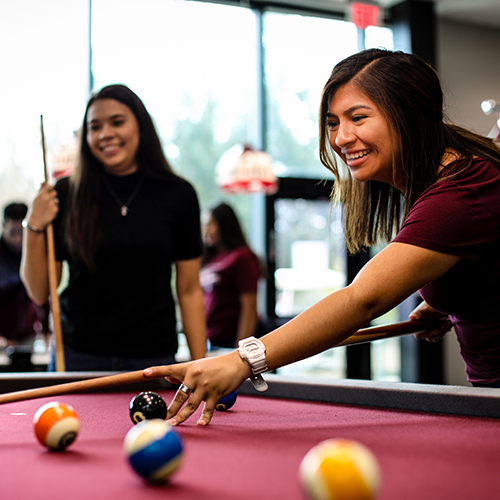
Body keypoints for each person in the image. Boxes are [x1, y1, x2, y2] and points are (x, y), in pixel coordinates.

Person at [143, 48, 500, 425]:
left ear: (411, 116)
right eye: (333, 123)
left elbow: (363, 299)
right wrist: (457, 300)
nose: (342, 138)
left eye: (358, 118)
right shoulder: (442, 183)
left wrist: (244, 360)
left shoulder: (463, 189)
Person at [21, 84, 206, 371]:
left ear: (141, 127)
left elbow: (190, 289)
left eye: (117, 122)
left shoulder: (178, 195)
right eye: (95, 127)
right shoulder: (66, 193)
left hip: (153, 357)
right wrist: (32, 224)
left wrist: (200, 365)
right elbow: (39, 290)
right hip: (78, 355)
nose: (105, 134)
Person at [200, 203, 262, 349]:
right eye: (203, 225)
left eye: (210, 224)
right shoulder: (209, 258)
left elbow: (249, 306)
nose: (205, 231)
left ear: (224, 225)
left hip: (232, 341)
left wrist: (241, 349)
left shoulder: (242, 257)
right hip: (212, 340)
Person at [0, 203, 50, 349]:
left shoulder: (34, 252)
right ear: (4, 225)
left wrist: (46, 329)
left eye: (21, 233)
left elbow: (42, 293)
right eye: (12, 233)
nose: (18, 239)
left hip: (26, 334)